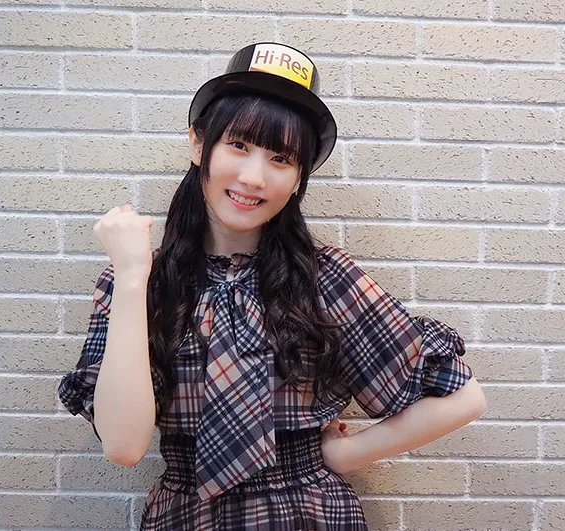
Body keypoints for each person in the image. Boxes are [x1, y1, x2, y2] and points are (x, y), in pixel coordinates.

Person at [58, 42, 487, 530]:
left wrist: (346, 454)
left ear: (299, 177)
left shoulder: (323, 278)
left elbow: (463, 398)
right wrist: (133, 278)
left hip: (306, 512)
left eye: (281, 158)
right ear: (199, 145)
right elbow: (124, 445)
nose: (254, 177)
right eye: (239, 146)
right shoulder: (138, 281)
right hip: (186, 515)